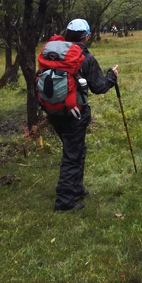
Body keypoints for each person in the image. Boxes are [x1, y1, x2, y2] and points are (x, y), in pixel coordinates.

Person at [40, 18, 118, 212]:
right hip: (75, 112)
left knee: (75, 149)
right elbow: (99, 87)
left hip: (53, 109)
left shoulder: (53, 52)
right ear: (86, 36)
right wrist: (111, 76)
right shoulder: (84, 57)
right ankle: (65, 202)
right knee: (72, 155)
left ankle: (77, 188)